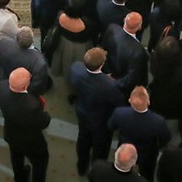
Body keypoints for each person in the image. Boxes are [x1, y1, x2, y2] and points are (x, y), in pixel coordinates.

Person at [69, 47, 126, 175]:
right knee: (100, 148)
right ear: (101, 65)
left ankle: (81, 167)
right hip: (101, 122)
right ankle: (96, 171)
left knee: (83, 142)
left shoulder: (75, 68)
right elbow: (119, 102)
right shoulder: (110, 85)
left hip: (82, 114)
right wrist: (107, 79)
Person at [0, 67, 51, 182]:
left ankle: (20, 177)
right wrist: (46, 115)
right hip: (30, 141)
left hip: (11, 133)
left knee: (16, 156)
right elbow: (44, 122)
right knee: (40, 161)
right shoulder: (32, 106)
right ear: (25, 86)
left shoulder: (2, 87)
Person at [108, 86, 170, 181]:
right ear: (148, 102)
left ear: (130, 100)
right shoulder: (158, 121)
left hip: (126, 149)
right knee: (147, 174)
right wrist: (157, 146)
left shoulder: (119, 113)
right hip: (148, 153)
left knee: (123, 172)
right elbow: (166, 138)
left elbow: (110, 126)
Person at [0, 27, 51, 96]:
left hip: (6, 79)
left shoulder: (3, 42)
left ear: (17, 37)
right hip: (23, 88)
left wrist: (2, 81)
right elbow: (36, 86)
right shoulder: (40, 62)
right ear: (33, 41)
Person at [102, 14, 149, 95]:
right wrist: (114, 82)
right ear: (139, 27)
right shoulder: (139, 52)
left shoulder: (112, 28)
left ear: (124, 20)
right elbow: (131, 79)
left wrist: (108, 73)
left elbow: (103, 50)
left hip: (111, 70)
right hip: (122, 86)